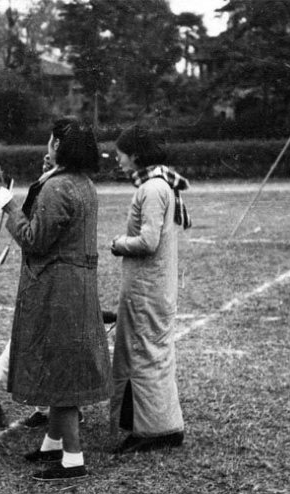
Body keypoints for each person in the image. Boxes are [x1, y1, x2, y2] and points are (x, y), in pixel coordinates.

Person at [0, 118, 112, 481]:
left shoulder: (58, 187)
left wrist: (11, 209)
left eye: (51, 142)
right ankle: (53, 442)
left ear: (59, 146)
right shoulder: (82, 183)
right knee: (63, 365)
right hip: (75, 284)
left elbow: (34, 240)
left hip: (57, 288)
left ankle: (72, 458)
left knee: (61, 371)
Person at [109, 125, 188, 455]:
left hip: (147, 289)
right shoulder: (158, 185)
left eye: (121, 155)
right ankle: (155, 423)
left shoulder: (152, 189)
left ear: (136, 156)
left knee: (144, 356)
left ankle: (154, 429)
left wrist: (118, 244)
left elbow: (148, 241)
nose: (118, 160)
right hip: (150, 286)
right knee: (146, 353)